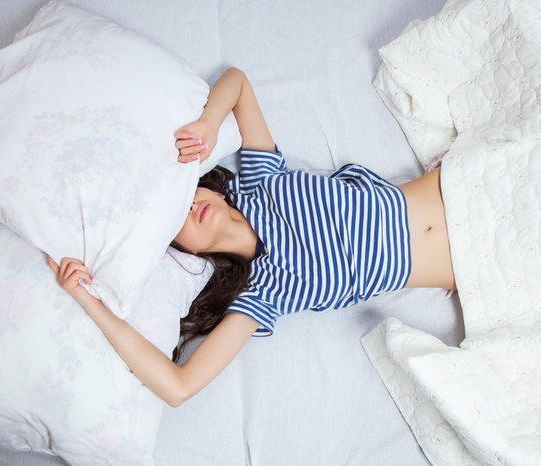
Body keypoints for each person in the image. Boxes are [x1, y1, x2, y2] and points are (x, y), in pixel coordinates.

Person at [47, 67, 456, 408]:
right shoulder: (260, 293)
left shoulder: (261, 181)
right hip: (472, 255)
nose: (189, 206)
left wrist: (208, 123)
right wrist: (89, 300)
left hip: (457, 185)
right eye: (177, 219)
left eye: (187, 193)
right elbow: (178, 387)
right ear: (187, 252)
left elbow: (238, 83)